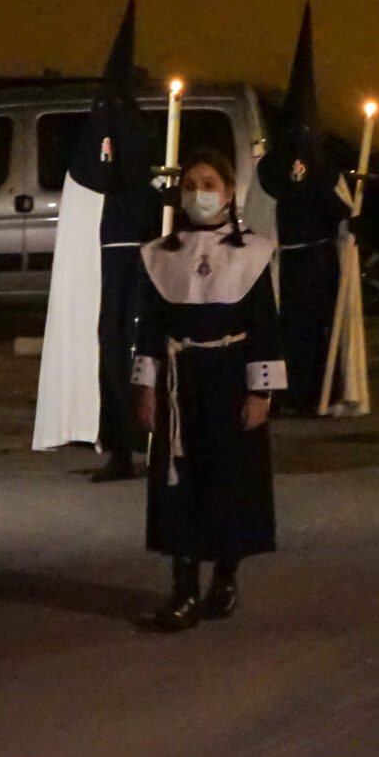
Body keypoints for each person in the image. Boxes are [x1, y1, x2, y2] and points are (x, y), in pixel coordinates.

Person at [133, 144, 282, 631]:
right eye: (191, 186)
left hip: (230, 379)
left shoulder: (252, 253)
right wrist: (146, 388)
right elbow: (150, 329)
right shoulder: (162, 255)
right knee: (179, 482)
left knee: (229, 480)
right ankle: (183, 591)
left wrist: (260, 392)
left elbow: (264, 327)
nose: (199, 194)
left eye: (209, 185)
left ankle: (225, 577)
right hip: (181, 382)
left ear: (230, 191)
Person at [34, 0, 160, 480]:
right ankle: (121, 443)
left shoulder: (130, 129)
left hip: (133, 259)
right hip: (111, 260)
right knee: (113, 349)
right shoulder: (105, 133)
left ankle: (142, 439)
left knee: (133, 348)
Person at [260, 8, 365, 416]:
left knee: (319, 329)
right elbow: (261, 214)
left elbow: (338, 209)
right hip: (286, 262)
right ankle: (286, 394)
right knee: (288, 329)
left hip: (319, 262)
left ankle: (321, 393)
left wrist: (349, 221)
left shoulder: (325, 168)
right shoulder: (271, 170)